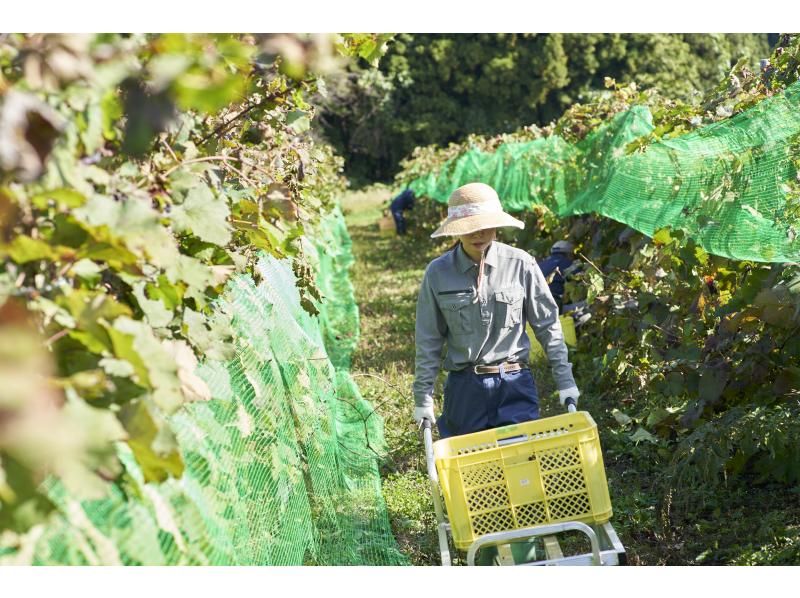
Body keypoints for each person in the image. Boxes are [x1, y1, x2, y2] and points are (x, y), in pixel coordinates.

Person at [412, 182, 580, 438]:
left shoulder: (521, 264)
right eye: (469, 228)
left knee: (520, 462)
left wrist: (565, 380)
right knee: (470, 464)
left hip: (514, 383)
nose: (478, 234)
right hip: (464, 387)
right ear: (456, 230)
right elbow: (428, 339)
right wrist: (423, 396)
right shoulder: (438, 273)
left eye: (485, 226)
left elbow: (548, 326)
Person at [537, 240, 575, 314]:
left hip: (536, 303)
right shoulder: (567, 263)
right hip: (555, 305)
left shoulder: (540, 264)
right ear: (569, 254)